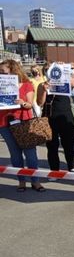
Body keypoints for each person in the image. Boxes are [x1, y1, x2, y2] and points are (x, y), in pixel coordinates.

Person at [0, 60, 44, 192]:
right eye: (0, 71)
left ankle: (35, 181)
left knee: (30, 153)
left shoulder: (26, 85)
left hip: (23, 121)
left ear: (13, 70)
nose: (1, 74)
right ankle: (21, 181)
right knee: (15, 154)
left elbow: (30, 104)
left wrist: (22, 102)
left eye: (3, 71)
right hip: (4, 123)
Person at [37, 62, 74, 177]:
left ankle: (72, 166)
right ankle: (54, 170)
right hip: (49, 118)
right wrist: (44, 90)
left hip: (66, 117)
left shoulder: (66, 82)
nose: (49, 71)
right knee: (52, 146)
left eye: (52, 69)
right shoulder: (42, 85)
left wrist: (66, 68)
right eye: (46, 69)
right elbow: (39, 103)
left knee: (69, 145)